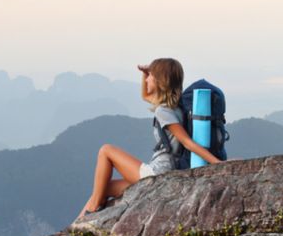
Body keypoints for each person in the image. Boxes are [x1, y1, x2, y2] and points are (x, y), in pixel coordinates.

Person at [76, 58, 222, 220]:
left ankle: (92, 210)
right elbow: (145, 95)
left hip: (157, 173)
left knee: (106, 150)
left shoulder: (163, 111)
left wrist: (218, 164)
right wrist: (146, 72)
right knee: (105, 187)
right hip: (162, 172)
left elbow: (187, 142)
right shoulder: (174, 107)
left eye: (150, 76)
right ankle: (76, 224)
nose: (146, 80)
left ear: (160, 81)